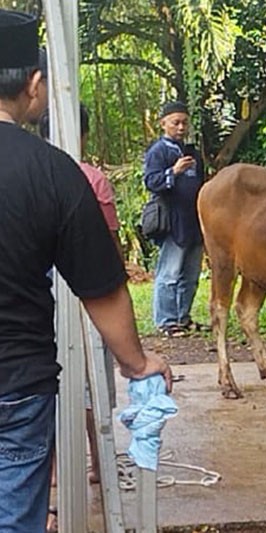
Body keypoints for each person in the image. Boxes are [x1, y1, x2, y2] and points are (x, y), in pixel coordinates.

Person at [0, 10, 172, 533]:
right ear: (34, 84)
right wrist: (137, 362)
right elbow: (100, 286)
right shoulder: (53, 171)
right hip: (17, 384)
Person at [40, 104, 123, 487]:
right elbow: (108, 240)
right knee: (94, 381)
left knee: (46, 380)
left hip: (40, 293)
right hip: (88, 288)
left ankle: (53, 469)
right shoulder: (91, 178)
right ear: (83, 134)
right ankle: (97, 462)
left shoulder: (27, 172)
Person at [143, 101, 206, 337]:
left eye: (184, 123)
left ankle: (183, 318)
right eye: (175, 122)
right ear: (163, 124)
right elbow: (151, 181)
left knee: (190, 275)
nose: (181, 127)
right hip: (171, 220)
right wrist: (173, 172)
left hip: (194, 221)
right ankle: (167, 321)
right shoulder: (158, 151)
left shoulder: (192, 152)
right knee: (169, 274)